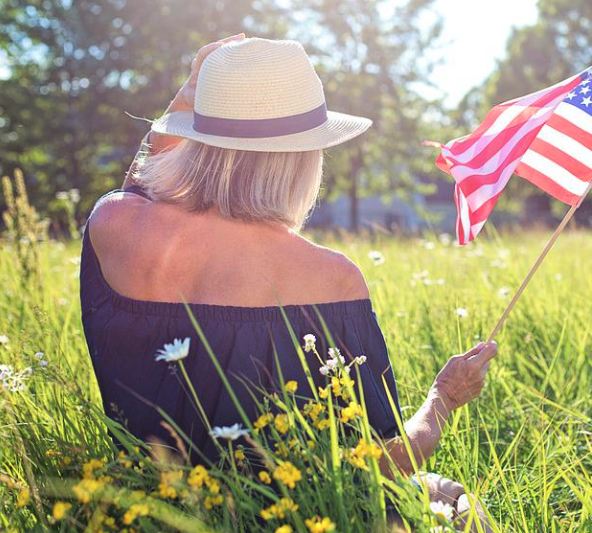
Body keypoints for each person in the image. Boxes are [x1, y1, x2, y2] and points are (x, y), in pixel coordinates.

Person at [79, 33, 497, 522]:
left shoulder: (113, 224)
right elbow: (382, 465)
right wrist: (443, 398)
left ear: (195, 137)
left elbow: (141, 184)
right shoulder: (332, 279)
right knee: (450, 499)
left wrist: (194, 93)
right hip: (292, 517)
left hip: (149, 511)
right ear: (304, 159)